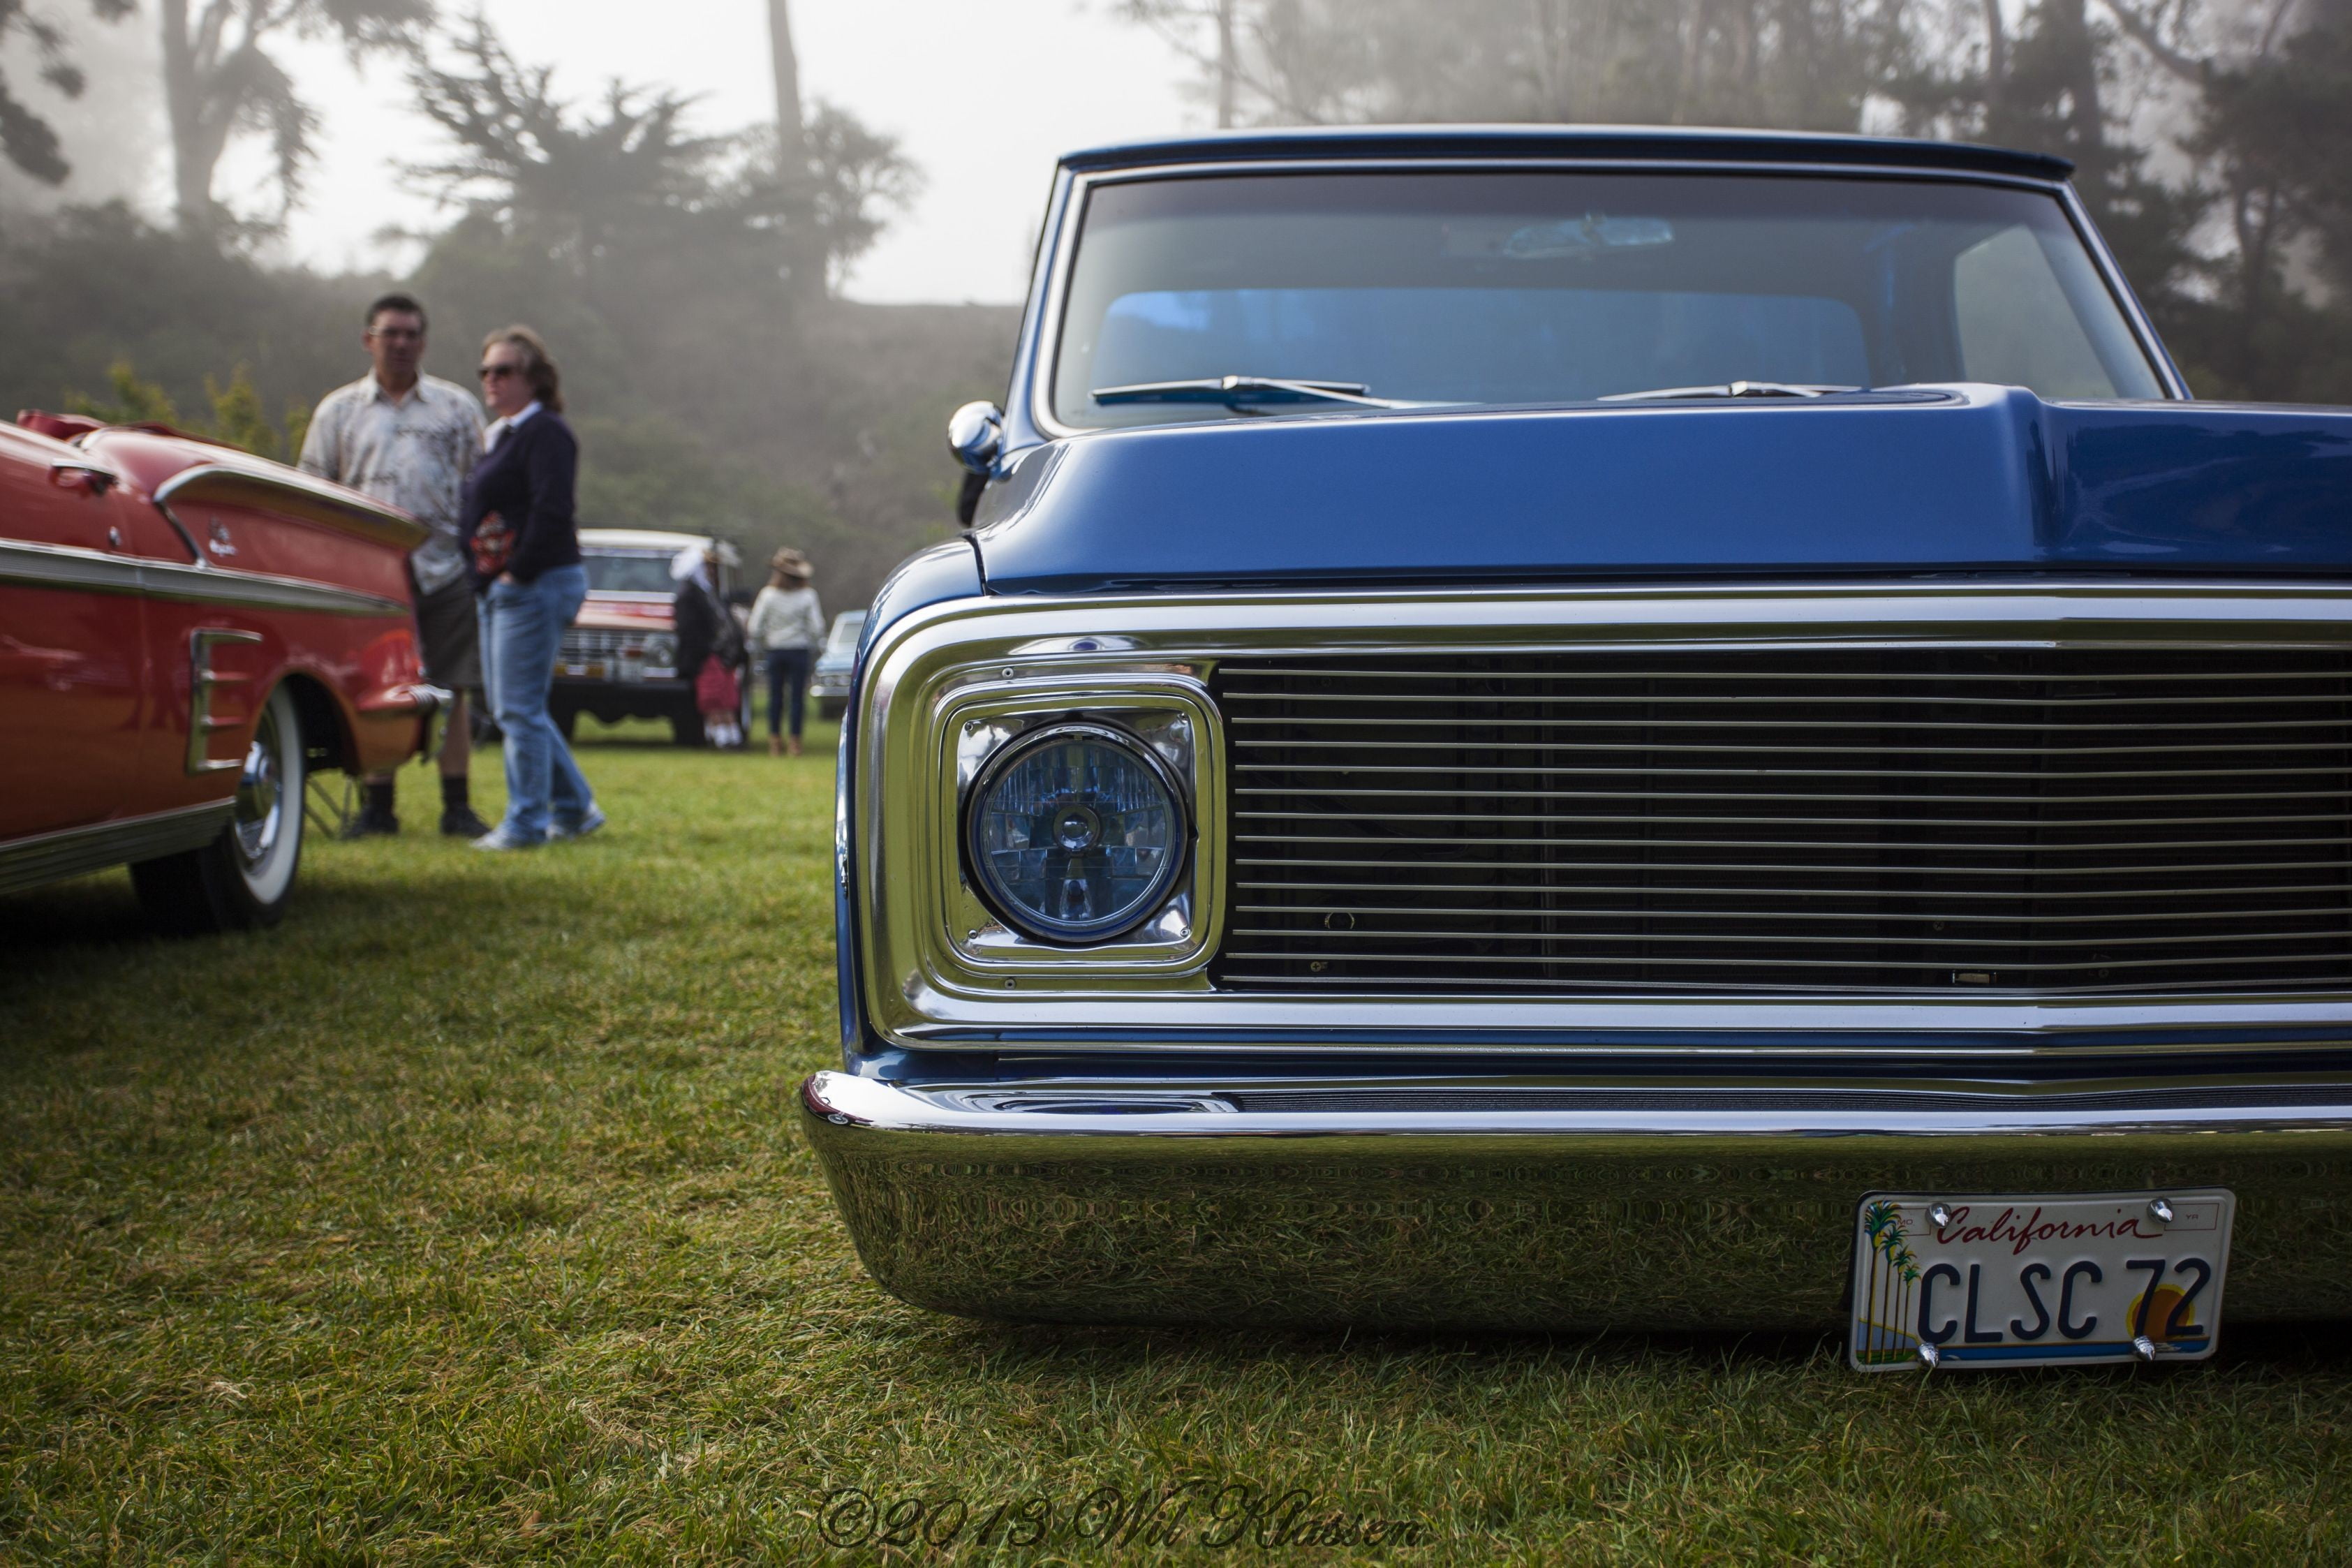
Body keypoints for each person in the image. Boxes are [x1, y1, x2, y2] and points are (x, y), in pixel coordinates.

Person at [298, 293, 491, 838]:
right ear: (369, 340)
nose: (402, 344)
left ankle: (457, 806)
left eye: (411, 334)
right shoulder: (339, 411)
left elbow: (480, 486)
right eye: (391, 334)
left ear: (424, 342)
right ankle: (378, 808)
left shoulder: (456, 408)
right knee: (379, 688)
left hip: (445, 567)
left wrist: (479, 557)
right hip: (370, 576)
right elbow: (314, 490)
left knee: (454, 687)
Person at [460, 325, 603, 849]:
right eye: (486, 371)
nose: (491, 381)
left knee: (517, 709)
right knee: (519, 708)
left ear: (535, 379)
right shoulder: (503, 434)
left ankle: (525, 824)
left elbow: (551, 509)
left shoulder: (546, 432)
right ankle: (572, 807)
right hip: (506, 585)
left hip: (536, 583)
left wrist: (515, 572)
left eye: (504, 371)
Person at [746, 547, 824, 756]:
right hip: (799, 651)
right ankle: (795, 743)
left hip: (775, 651)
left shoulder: (768, 595)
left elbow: (755, 627)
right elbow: (817, 628)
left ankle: (775, 741)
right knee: (797, 698)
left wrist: (764, 640)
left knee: (775, 697)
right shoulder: (808, 596)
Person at [672, 542, 747, 749]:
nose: (711, 571)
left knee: (725, 698)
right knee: (712, 699)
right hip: (707, 656)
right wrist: (705, 652)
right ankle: (719, 738)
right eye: (707, 567)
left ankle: (729, 737)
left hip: (721, 656)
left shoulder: (709, 593)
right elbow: (690, 630)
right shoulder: (690, 595)